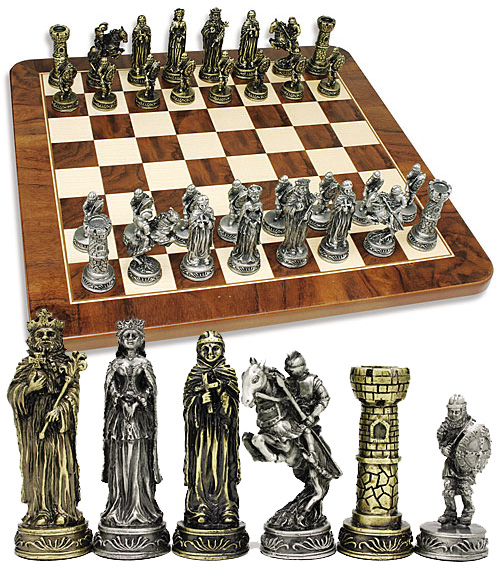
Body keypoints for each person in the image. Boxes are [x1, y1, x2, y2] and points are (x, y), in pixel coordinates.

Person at [8, 309, 85, 527]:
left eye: (50, 334)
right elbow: (13, 393)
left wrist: (60, 409)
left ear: (58, 338)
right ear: (32, 338)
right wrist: (29, 389)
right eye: (40, 334)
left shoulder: (66, 366)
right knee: (39, 467)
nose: (45, 338)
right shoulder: (26, 365)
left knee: (60, 465)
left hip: (57, 426)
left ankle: (63, 510)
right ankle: (40, 511)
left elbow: (72, 392)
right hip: (35, 425)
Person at [100, 318, 163, 527]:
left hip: (139, 419)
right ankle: (120, 506)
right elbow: (109, 390)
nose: (129, 339)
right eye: (126, 335)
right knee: (120, 460)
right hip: (120, 419)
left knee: (138, 460)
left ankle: (140, 506)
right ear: (119, 340)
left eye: (134, 335)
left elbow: (151, 391)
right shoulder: (115, 365)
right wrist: (119, 399)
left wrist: (139, 400)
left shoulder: (145, 364)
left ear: (141, 340)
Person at [182, 331, 241, 527]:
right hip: (202, 432)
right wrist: (199, 401)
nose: (209, 353)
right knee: (202, 467)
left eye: (215, 348)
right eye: (205, 349)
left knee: (223, 467)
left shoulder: (228, 373)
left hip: (222, 431)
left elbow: (234, 405)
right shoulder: (195, 374)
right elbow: (187, 406)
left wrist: (222, 400)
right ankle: (200, 507)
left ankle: (226, 507)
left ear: (222, 350)